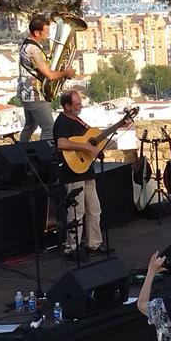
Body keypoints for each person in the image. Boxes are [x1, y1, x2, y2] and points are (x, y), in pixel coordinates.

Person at [52, 89, 109, 257]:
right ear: (67, 106)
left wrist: (121, 123)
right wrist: (85, 147)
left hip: (86, 170)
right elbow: (61, 143)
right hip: (72, 171)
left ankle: (94, 244)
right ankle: (72, 248)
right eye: (76, 104)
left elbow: (93, 136)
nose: (80, 106)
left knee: (94, 209)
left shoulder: (78, 120)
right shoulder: (61, 122)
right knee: (76, 211)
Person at [18, 14, 78, 142]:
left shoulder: (28, 46)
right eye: (46, 32)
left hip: (27, 94)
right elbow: (50, 75)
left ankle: (21, 154)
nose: (49, 35)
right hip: (35, 94)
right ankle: (45, 157)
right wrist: (65, 73)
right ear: (36, 33)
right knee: (49, 129)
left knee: (30, 127)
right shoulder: (33, 49)